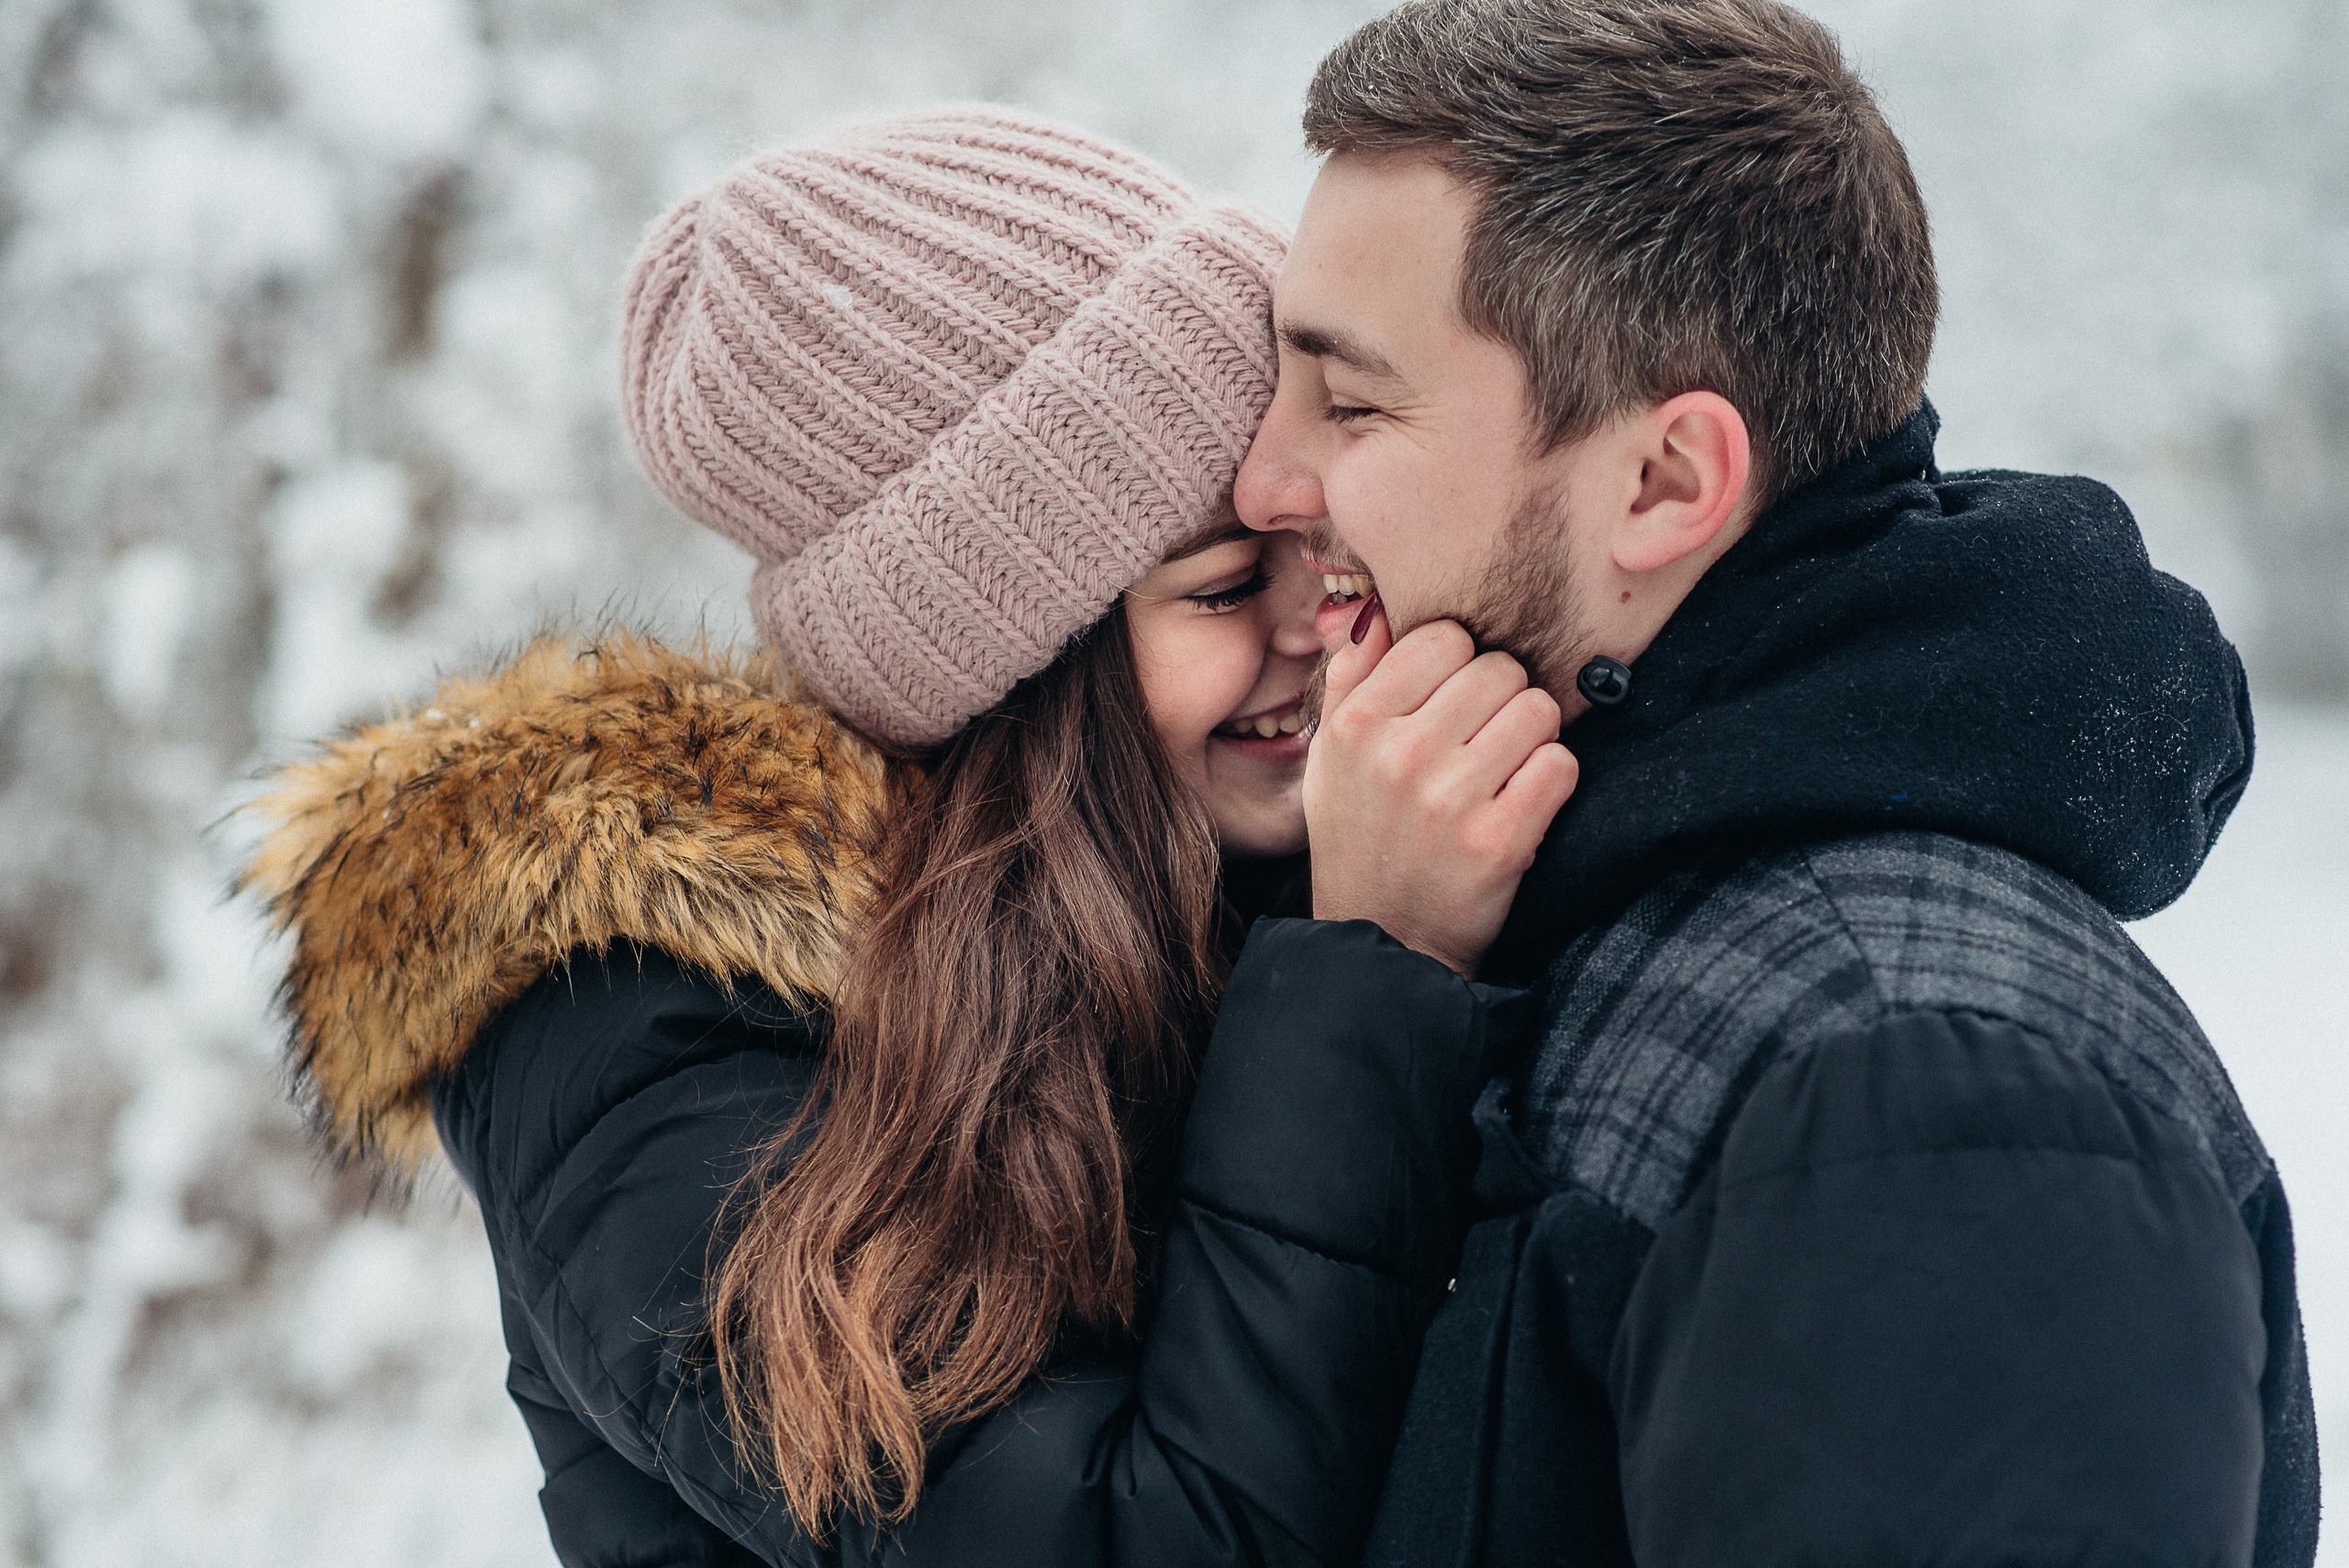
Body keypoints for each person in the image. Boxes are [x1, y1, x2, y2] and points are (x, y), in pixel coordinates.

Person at [242, 107, 1573, 1566]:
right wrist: (1366, 966)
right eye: (1219, 584)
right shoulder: (631, 1047)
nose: (1320, 627)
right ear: (1019, 671)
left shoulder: (1216, 879)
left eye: (1319, 551)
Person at [1238, 2, 2318, 1563]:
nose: (1267, 481)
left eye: (1349, 401)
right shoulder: (1583, 913)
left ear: (1668, 482)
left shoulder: (1924, 1101)